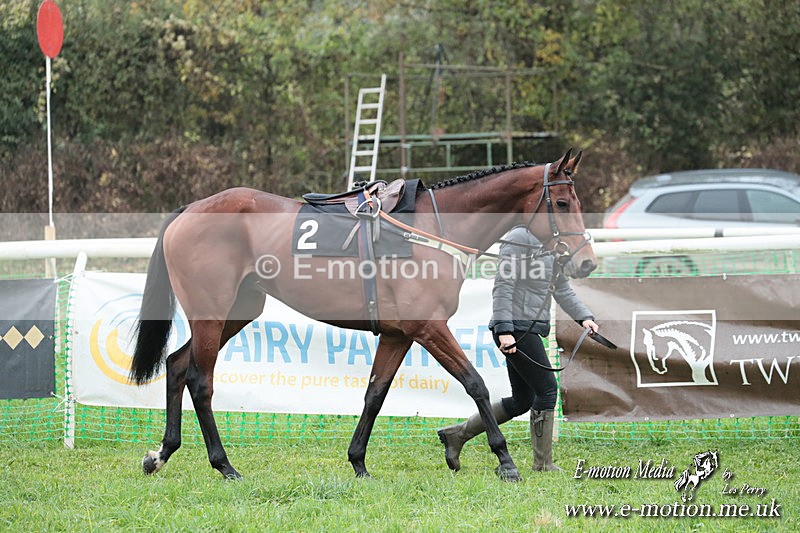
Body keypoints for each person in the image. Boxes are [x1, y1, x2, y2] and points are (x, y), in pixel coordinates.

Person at [438, 225, 598, 472]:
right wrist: (504, 331)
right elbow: (504, 285)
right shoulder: (518, 238)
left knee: (523, 400)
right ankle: (543, 464)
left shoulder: (550, 243)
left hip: (527, 328)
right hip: (515, 329)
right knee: (547, 390)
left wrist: (584, 317)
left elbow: (561, 288)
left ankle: (457, 435)